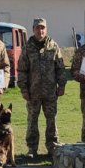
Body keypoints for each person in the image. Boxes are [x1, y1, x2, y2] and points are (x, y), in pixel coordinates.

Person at [17, 18, 66, 158]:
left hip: (50, 92)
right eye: (38, 28)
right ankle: (32, 149)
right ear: (33, 29)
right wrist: (23, 89)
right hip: (33, 92)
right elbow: (22, 70)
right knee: (32, 121)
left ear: (46, 29)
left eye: (43, 28)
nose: (40, 31)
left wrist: (62, 85)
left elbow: (60, 68)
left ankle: (52, 146)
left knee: (52, 120)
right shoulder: (27, 47)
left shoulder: (53, 46)